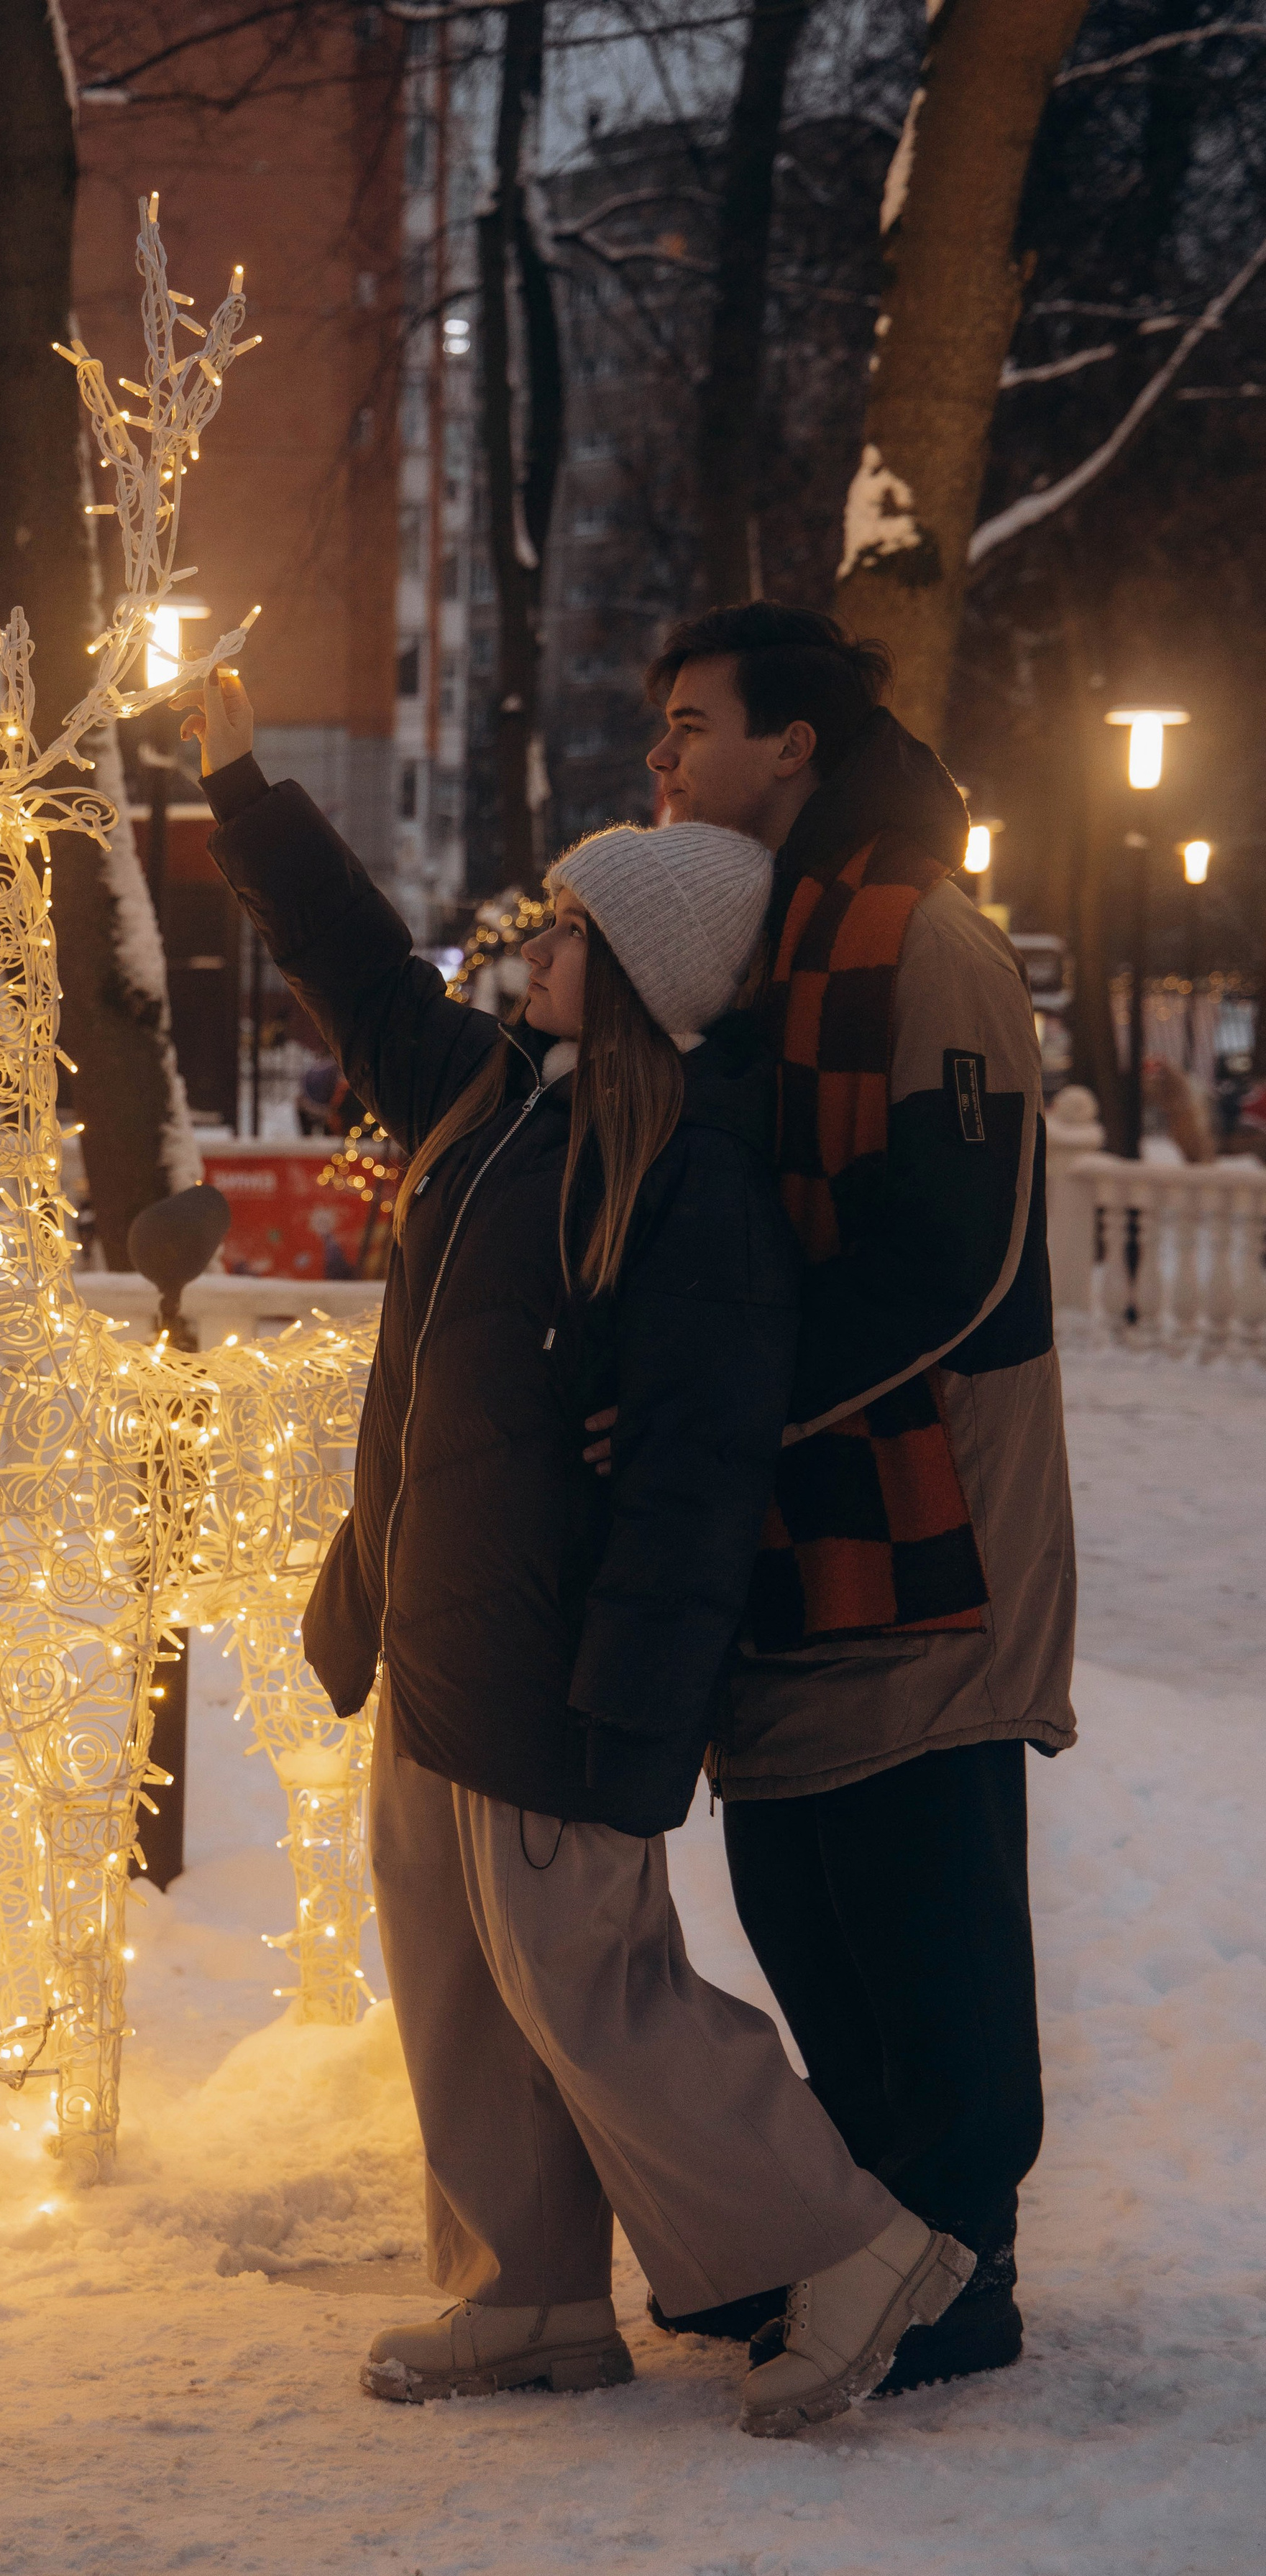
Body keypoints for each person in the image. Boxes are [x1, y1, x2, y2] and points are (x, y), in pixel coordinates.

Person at [180, 666, 974, 2438]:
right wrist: (241, 786)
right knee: (458, 1977)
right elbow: (355, 968)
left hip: (560, 1665)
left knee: (590, 1986)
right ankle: (527, 2292)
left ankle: (851, 2247)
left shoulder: (686, 1181)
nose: (528, 940)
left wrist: (633, 1703)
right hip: (439, 1630)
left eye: (560, 923)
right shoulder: (490, 1108)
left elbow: (692, 1475)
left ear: (627, 961)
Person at [612, 602, 1075, 2395]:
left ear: (788, 745)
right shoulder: (777, 936)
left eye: (688, 726)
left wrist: (733, 1418)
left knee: (921, 1894)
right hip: (808, 1523)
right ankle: (879, 2243)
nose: (660, 759)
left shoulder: (921, 938)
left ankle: (961, 2272)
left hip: (926, 1517)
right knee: (808, 1888)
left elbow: (955, 1262)